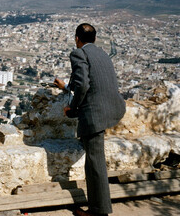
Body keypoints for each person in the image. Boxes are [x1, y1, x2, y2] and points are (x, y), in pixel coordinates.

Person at [54, 23, 126, 216]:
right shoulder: (103, 54)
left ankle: (98, 211)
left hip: (95, 113)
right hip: (113, 108)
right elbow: (93, 81)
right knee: (95, 160)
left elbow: (84, 84)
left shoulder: (78, 54)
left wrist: (72, 108)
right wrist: (66, 86)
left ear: (77, 38)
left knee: (95, 163)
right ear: (94, 39)